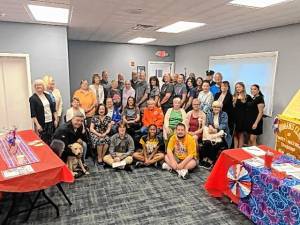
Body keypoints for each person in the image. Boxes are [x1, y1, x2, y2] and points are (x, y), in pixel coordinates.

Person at [200, 101, 231, 169]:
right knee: (207, 143)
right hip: (212, 134)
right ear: (212, 107)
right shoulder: (209, 113)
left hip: (221, 135)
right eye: (214, 107)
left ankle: (211, 160)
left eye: (218, 107)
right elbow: (207, 123)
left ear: (220, 108)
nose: (216, 108)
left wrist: (216, 130)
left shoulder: (224, 114)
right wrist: (210, 126)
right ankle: (205, 158)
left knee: (215, 145)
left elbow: (224, 125)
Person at [29, 79, 58, 144]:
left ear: (43, 86)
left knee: (51, 139)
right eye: (36, 85)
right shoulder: (33, 98)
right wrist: (38, 125)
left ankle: (51, 153)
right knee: (43, 141)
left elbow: (53, 109)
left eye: (40, 85)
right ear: (34, 87)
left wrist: (56, 119)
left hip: (51, 121)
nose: (38, 86)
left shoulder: (48, 95)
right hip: (41, 123)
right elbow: (33, 114)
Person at [232, 82, 252, 148]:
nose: (238, 88)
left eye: (239, 87)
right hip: (235, 117)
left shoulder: (247, 97)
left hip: (243, 118)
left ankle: (239, 149)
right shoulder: (234, 96)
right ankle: (235, 149)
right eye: (236, 87)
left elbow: (252, 107)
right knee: (235, 134)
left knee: (241, 134)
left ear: (243, 88)